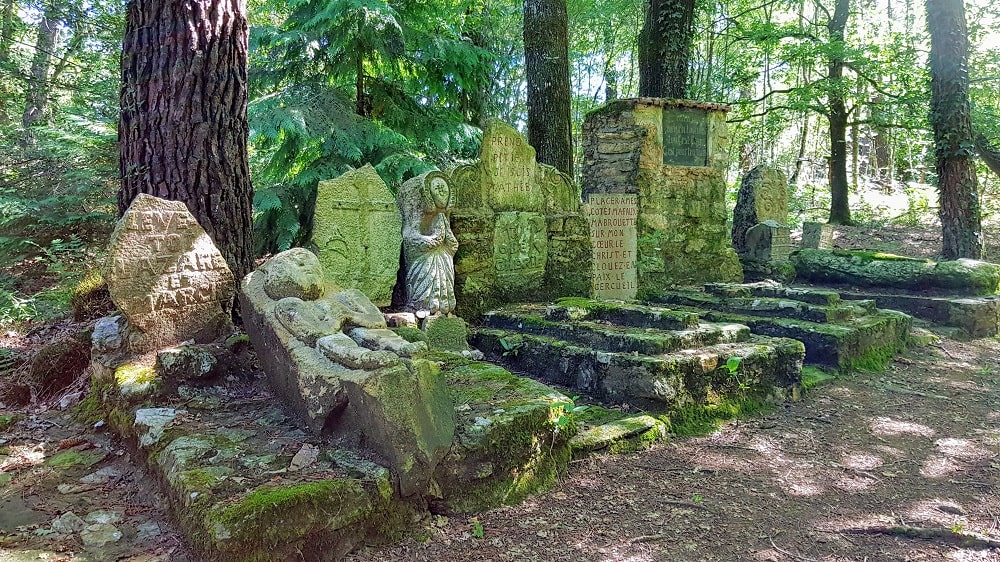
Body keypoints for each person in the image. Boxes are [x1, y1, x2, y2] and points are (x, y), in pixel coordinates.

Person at [400, 172, 458, 315]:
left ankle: (443, 312)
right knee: (425, 292)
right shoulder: (417, 216)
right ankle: (421, 306)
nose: (443, 193)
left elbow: (452, 244)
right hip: (424, 261)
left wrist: (446, 239)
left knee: (444, 294)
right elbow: (411, 239)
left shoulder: (442, 218)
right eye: (438, 189)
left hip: (443, 260)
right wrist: (435, 238)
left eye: (445, 190)